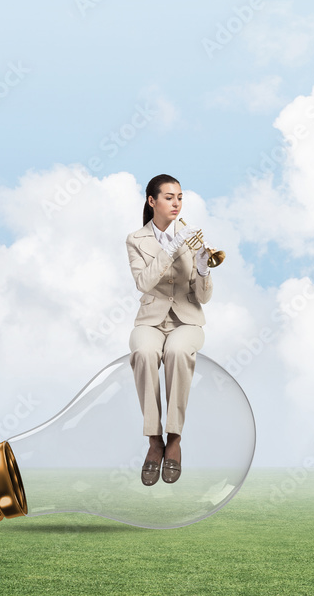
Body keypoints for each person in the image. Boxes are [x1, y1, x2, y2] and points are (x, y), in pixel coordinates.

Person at [125, 174, 213, 486]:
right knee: (144, 351)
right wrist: (172, 247)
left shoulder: (193, 238)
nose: (176, 203)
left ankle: (174, 438)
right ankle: (154, 440)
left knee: (177, 351)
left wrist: (202, 268)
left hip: (186, 320)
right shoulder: (135, 240)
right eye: (168, 197)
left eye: (179, 197)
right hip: (150, 319)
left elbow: (202, 296)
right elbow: (143, 282)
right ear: (152, 201)